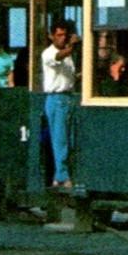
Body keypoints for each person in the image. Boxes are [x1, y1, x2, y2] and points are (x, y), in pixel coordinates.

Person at [42, 20, 79, 187]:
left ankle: (62, 174)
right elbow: (58, 57)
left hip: (69, 96)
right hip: (56, 99)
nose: (62, 38)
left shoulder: (69, 56)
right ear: (51, 36)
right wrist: (71, 47)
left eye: (65, 35)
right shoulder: (48, 53)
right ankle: (62, 176)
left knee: (70, 138)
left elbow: (69, 75)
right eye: (59, 35)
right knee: (60, 139)